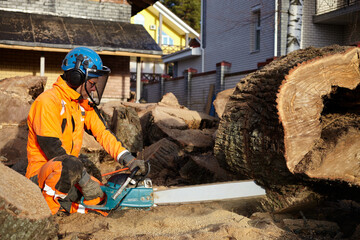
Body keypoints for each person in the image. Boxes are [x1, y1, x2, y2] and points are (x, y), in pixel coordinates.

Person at [25, 47, 146, 215]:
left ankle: (71, 205)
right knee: (70, 167)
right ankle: (45, 217)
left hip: (71, 172)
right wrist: (84, 180)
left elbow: (103, 134)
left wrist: (129, 160)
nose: (94, 88)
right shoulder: (47, 102)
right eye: (92, 83)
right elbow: (52, 149)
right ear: (76, 77)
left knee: (104, 200)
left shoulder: (81, 105)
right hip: (43, 173)